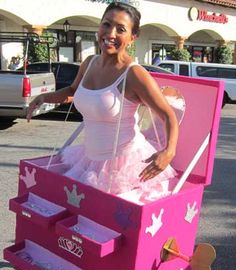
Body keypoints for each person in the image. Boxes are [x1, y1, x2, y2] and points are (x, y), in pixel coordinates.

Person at [27, 1, 179, 203]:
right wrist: (44, 98)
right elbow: (72, 91)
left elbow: (168, 115)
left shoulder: (134, 74)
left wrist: (168, 152)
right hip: (88, 159)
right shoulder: (89, 63)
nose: (111, 33)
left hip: (124, 166)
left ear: (133, 37)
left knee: (108, 223)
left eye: (121, 29)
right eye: (106, 24)